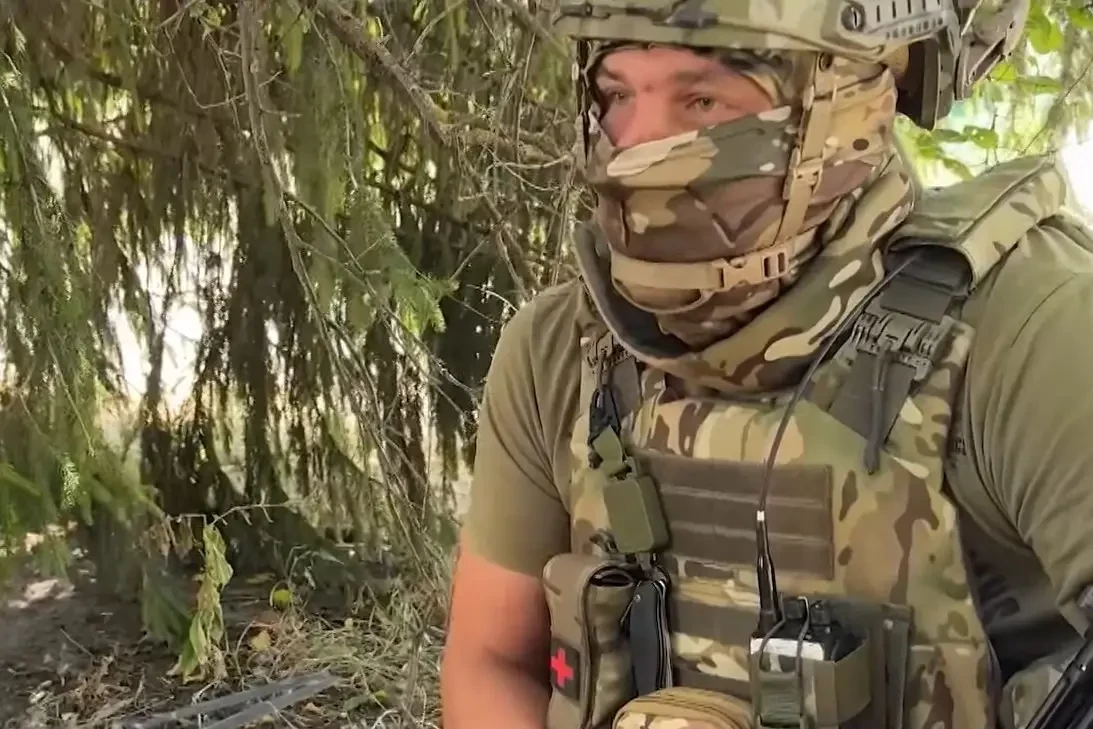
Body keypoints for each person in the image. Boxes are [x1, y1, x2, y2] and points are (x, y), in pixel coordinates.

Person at [440, 2, 1093, 728]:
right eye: (618, 95)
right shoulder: (565, 348)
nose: (639, 145)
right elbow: (491, 659)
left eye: (702, 100)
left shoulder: (1027, 330)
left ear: (845, 108)